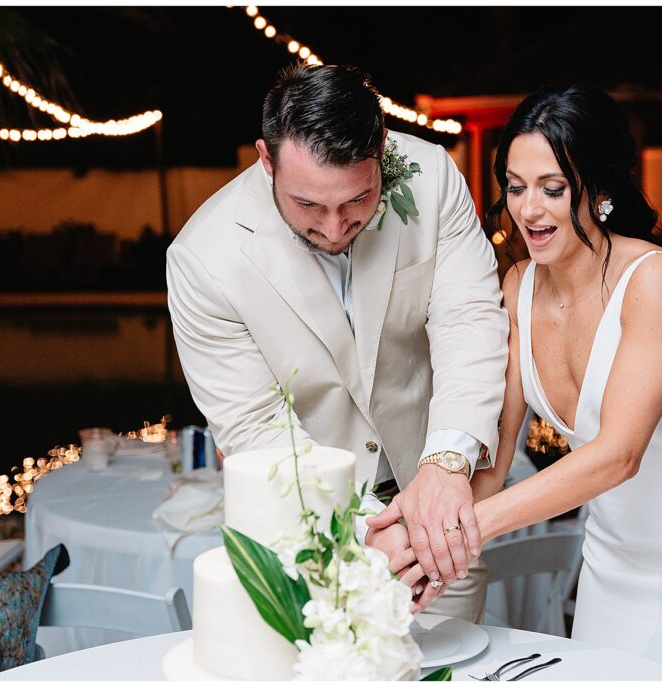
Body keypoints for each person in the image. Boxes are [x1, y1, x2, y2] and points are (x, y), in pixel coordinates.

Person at [165, 63, 508, 622]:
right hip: (304, 537)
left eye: (356, 200)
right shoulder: (203, 260)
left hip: (441, 520)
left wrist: (446, 470)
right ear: (265, 158)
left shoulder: (433, 175)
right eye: (308, 206)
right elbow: (255, 427)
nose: (332, 226)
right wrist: (363, 535)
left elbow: (468, 319)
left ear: (382, 147)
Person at [472, 83, 662, 679]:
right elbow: (495, 448)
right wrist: (432, 544)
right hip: (611, 565)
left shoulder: (657, 280)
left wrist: (471, 531)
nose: (529, 209)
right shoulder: (517, 288)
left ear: (601, 189)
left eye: (552, 189)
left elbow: (618, 455)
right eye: (515, 186)